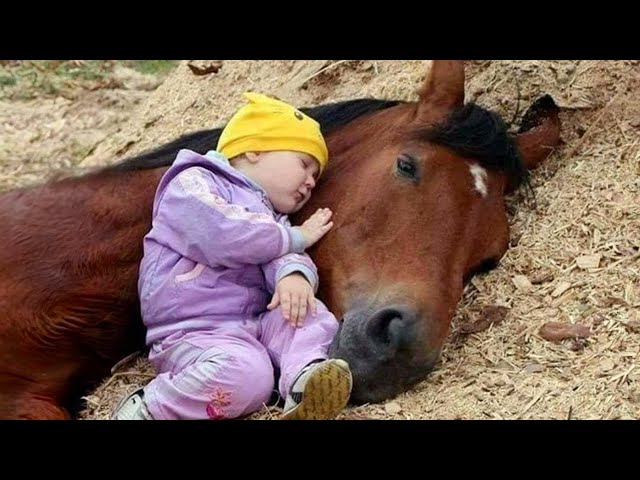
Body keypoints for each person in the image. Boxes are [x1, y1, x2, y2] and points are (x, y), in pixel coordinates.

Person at [111, 92, 352, 420]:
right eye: (304, 164)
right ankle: (150, 409)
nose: (310, 182)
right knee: (248, 377)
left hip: (252, 323)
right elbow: (225, 233)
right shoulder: (193, 183)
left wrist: (293, 276)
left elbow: (277, 251)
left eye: (316, 177)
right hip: (195, 329)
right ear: (254, 149)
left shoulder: (272, 221)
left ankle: (305, 379)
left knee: (303, 312)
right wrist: (294, 238)